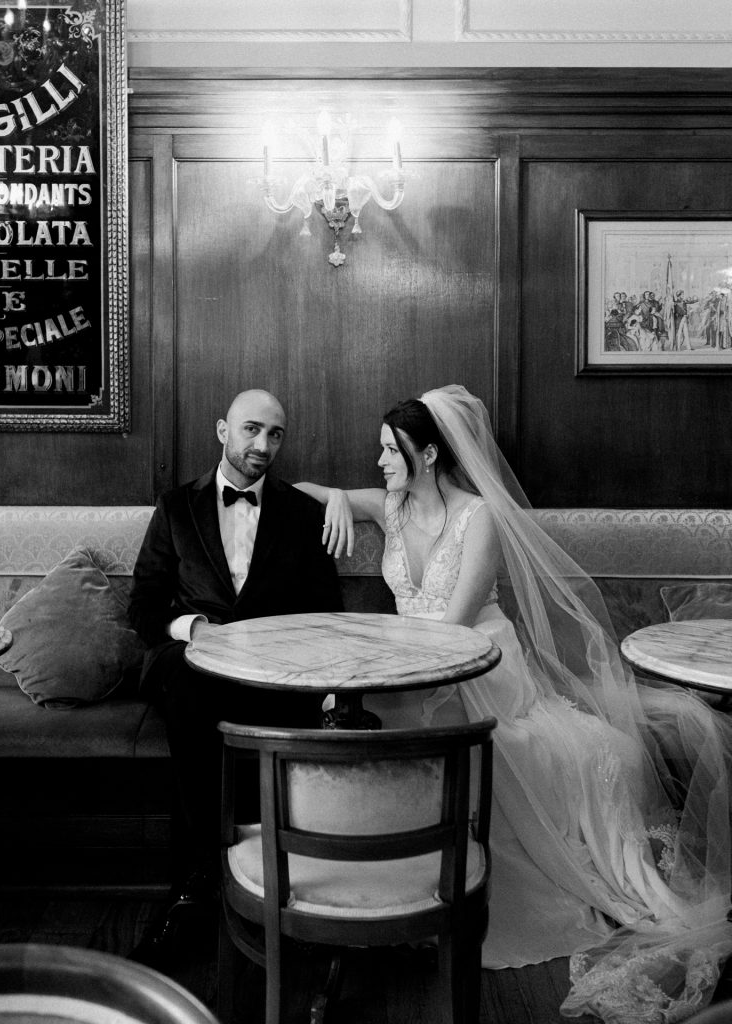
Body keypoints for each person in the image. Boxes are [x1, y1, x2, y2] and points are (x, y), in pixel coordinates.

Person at [296, 385, 732, 1024]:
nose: (380, 461)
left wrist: (392, 671)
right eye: (380, 450)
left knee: (421, 723)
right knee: (351, 716)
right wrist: (336, 497)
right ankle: (369, 887)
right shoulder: (391, 504)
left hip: (479, 657)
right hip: (415, 655)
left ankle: (434, 885)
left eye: (392, 450)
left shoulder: (479, 518)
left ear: (430, 453)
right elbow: (308, 491)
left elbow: (455, 630)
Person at [128, 388, 343, 959]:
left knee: (313, 710)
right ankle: (205, 876)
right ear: (223, 430)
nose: (263, 445)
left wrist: (320, 684)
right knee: (191, 686)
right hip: (190, 665)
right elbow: (143, 606)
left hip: (272, 673)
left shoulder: (302, 513)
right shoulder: (176, 506)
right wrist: (195, 629)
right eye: (252, 429)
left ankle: (275, 890)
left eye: (275, 434)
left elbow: (327, 613)